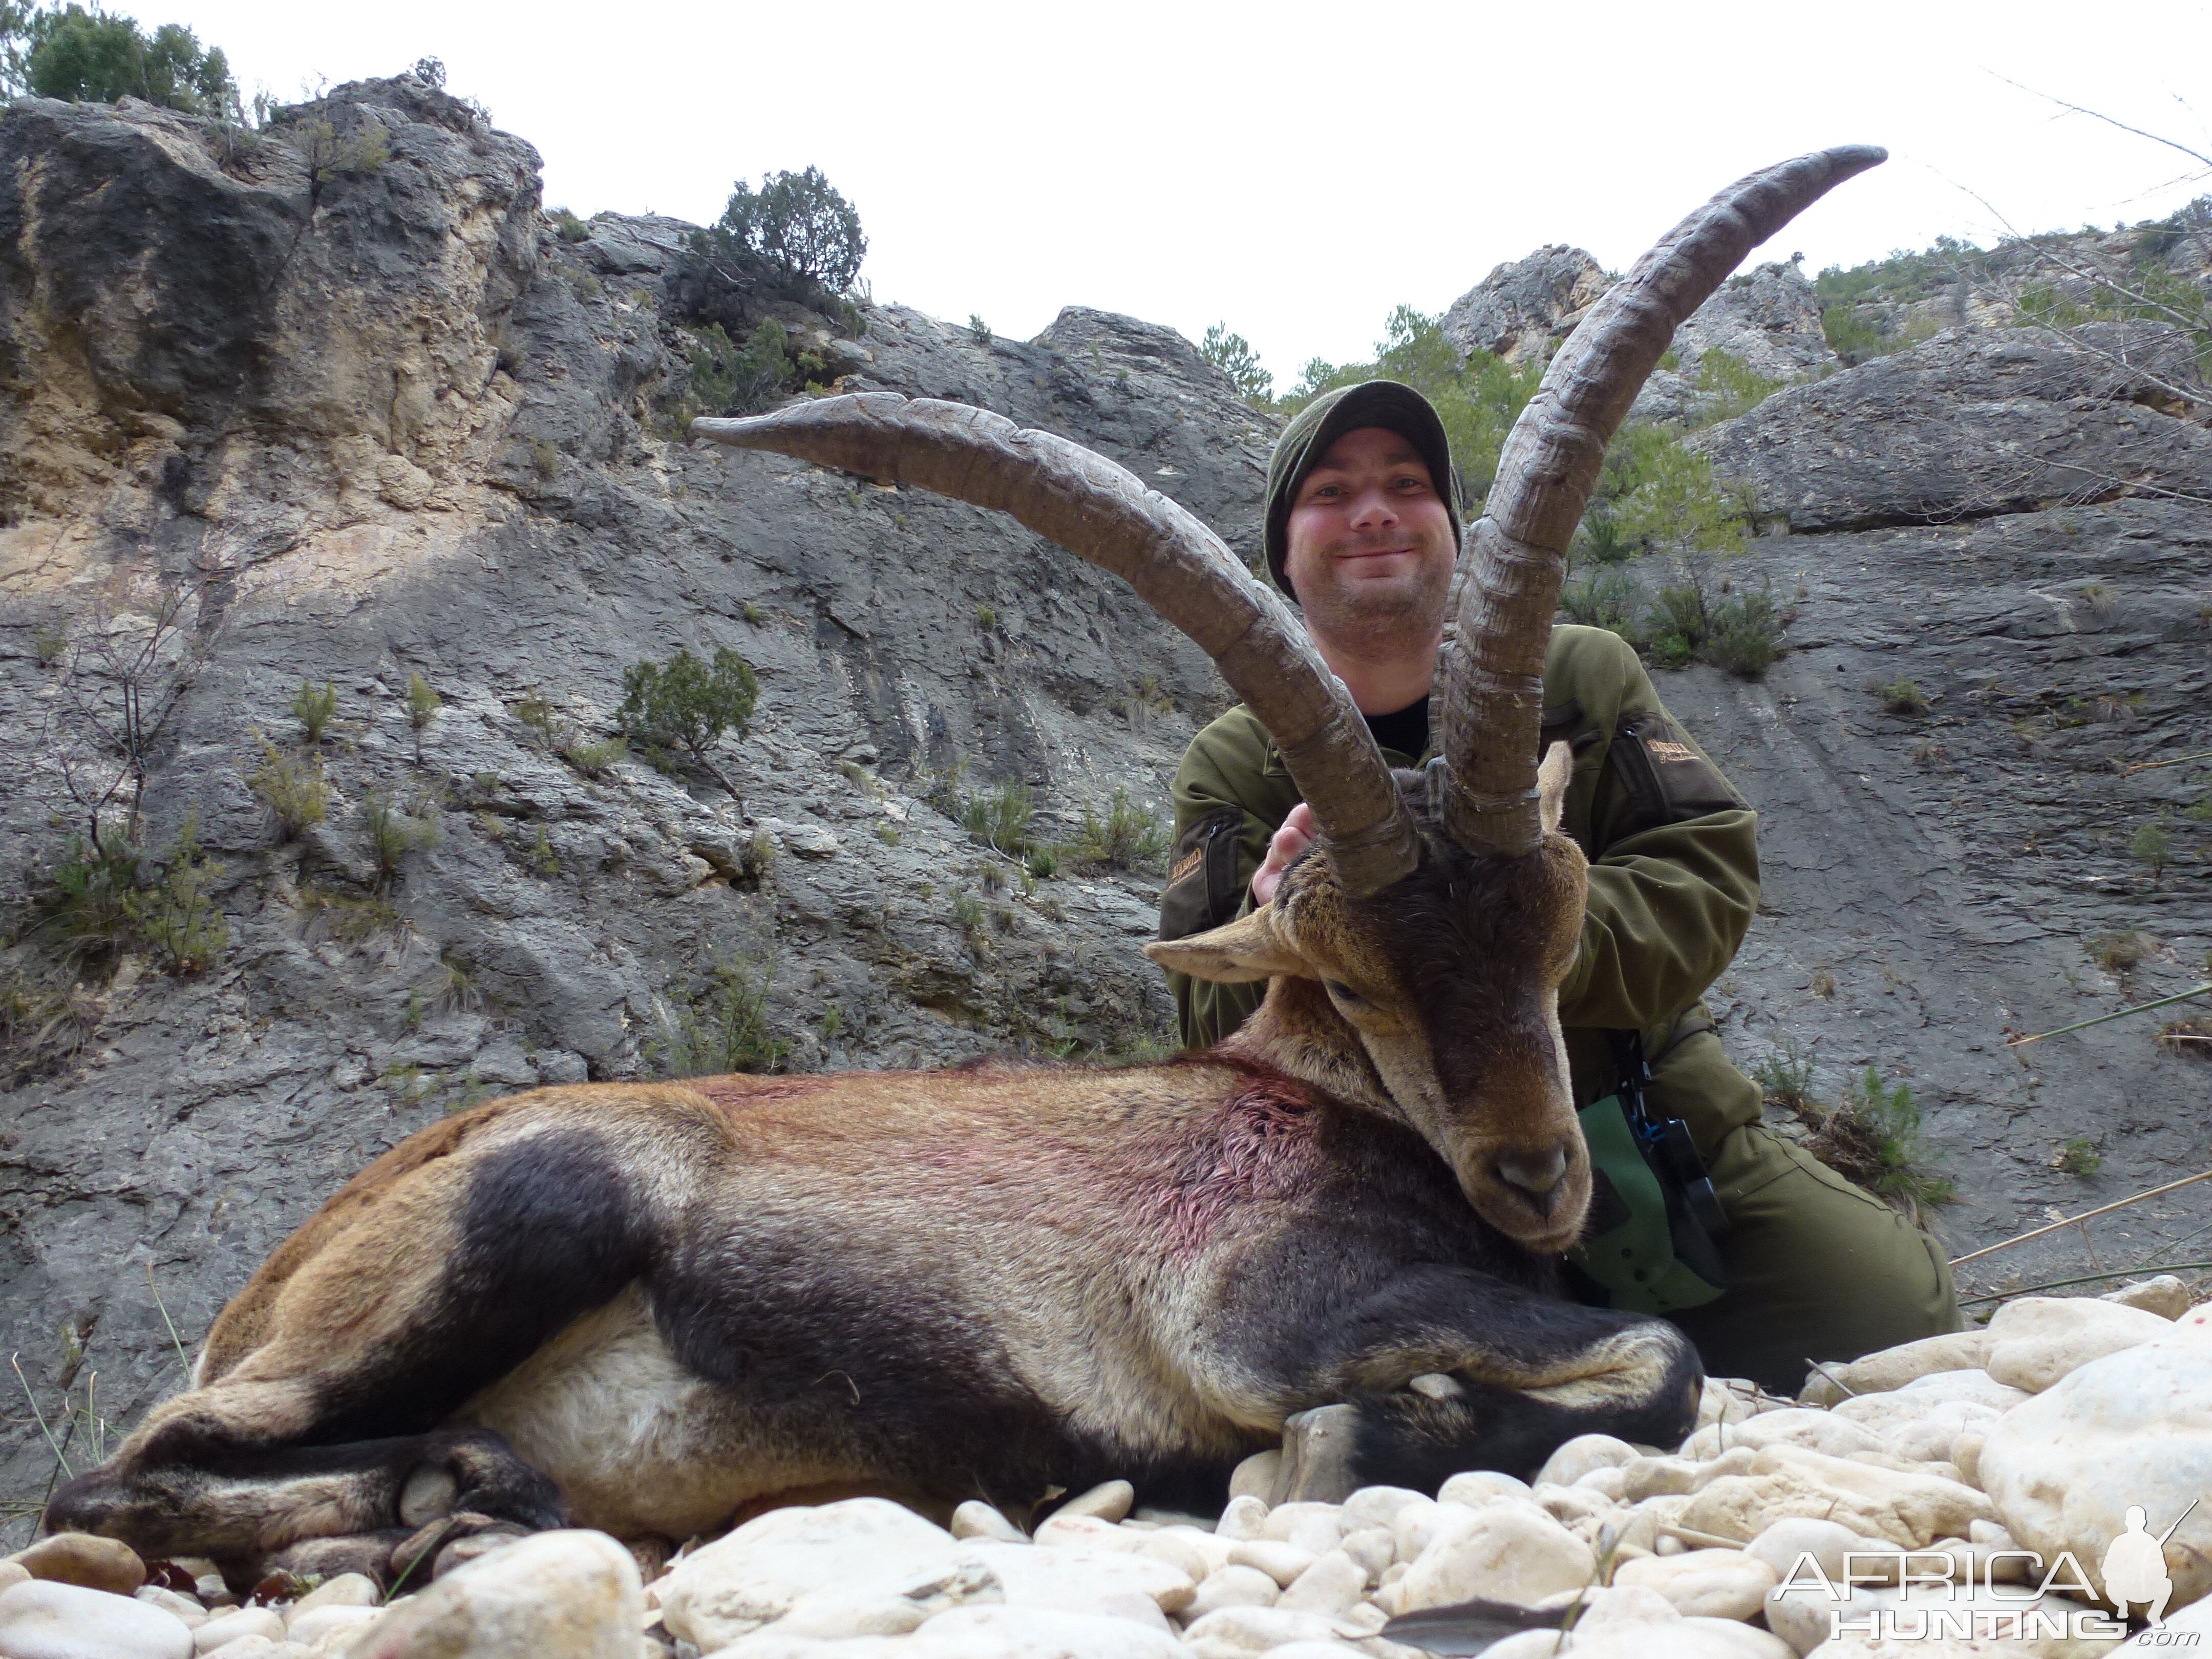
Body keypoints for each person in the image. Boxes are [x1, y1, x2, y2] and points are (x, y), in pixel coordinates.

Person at [1157, 379, 1961, 1393]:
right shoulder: (1235, 763)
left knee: (1895, 1326)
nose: (1372, 511)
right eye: (1330, 492)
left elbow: (1704, 867)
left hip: (1638, 1121)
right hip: (1382, 1177)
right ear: (1285, 550)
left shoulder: (1579, 676)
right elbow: (1199, 1006)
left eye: (1407, 484)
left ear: (1450, 530)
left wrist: (1524, 934)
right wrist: (1285, 934)